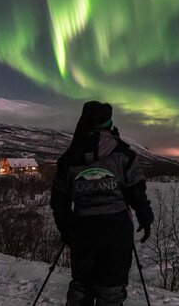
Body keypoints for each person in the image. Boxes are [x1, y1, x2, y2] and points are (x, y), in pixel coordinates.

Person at [51, 101, 154, 306]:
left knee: (81, 286)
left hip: (82, 230)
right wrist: (145, 217)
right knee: (111, 290)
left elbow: (59, 202)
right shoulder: (124, 155)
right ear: (109, 124)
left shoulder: (69, 159)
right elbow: (137, 192)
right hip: (117, 230)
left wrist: (67, 229)